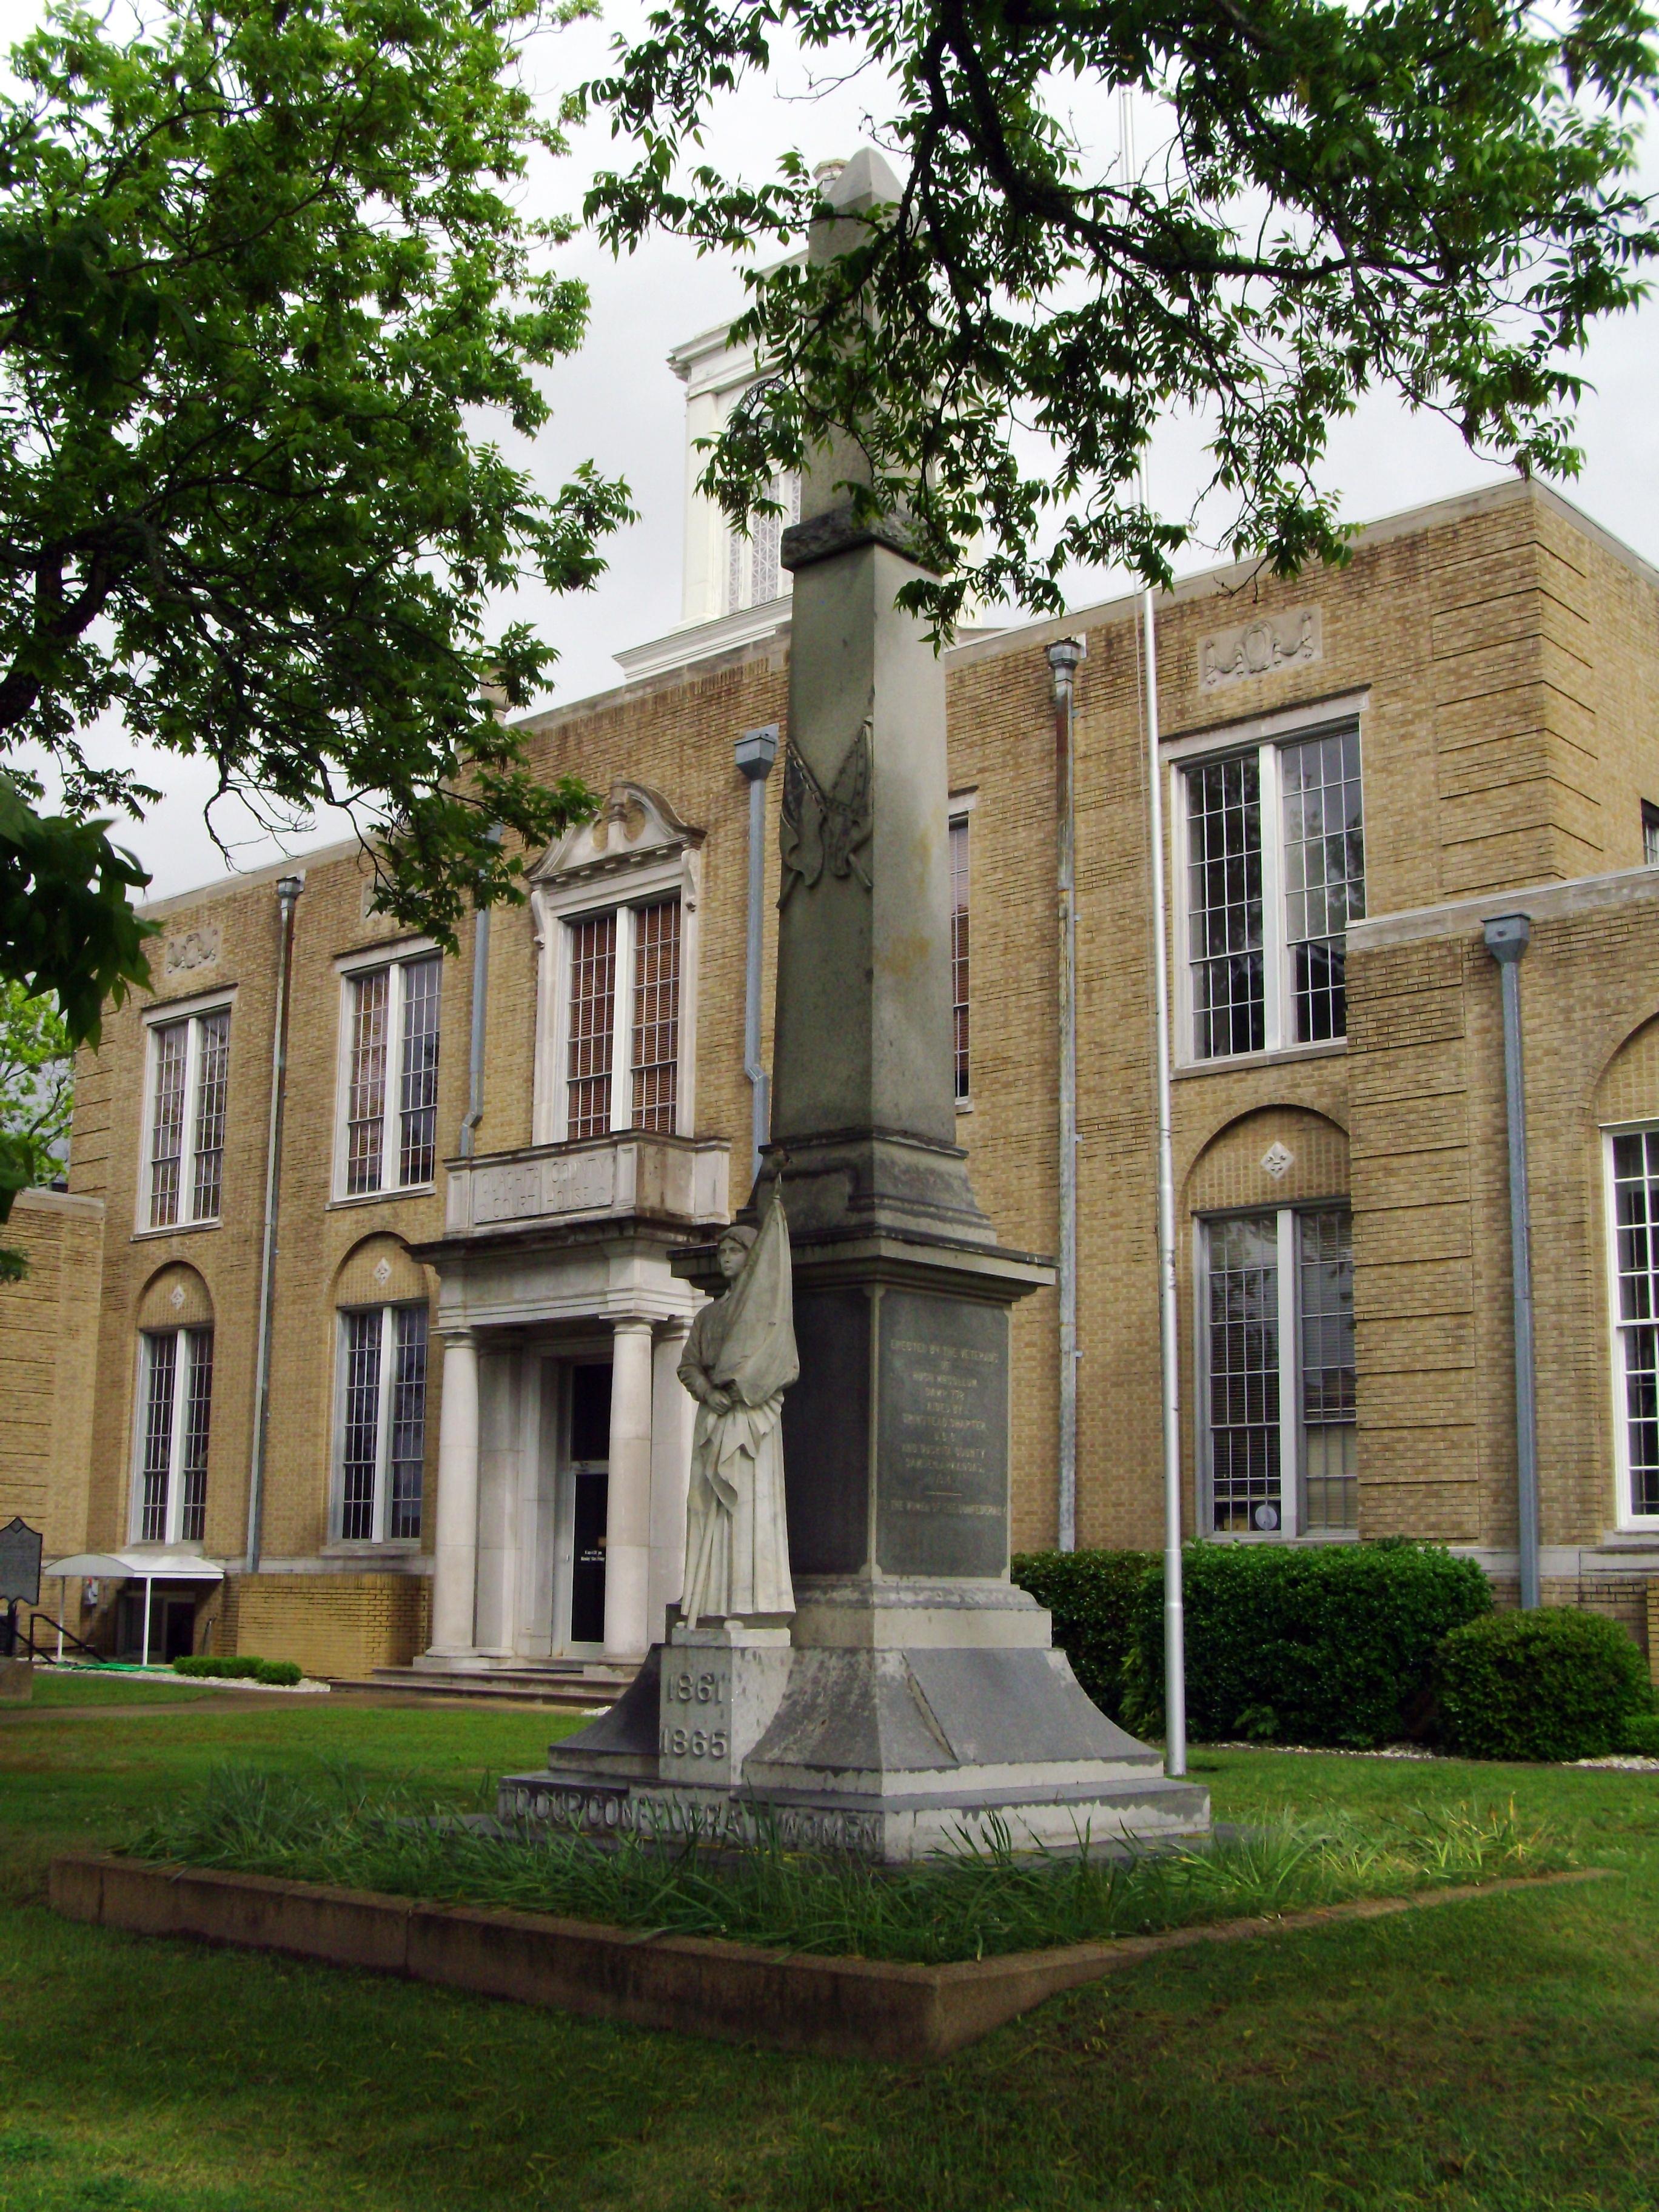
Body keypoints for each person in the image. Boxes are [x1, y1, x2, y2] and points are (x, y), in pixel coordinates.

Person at [677, 1191, 798, 1626]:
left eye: (734, 1251)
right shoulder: (708, 1317)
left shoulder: (767, 1315)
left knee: (748, 1511)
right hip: (714, 1419)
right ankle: (708, 1603)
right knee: (705, 1506)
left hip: (750, 1420)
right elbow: (688, 1365)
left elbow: (781, 1363)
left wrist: (742, 1390)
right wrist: (708, 1392)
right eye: (722, 1251)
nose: (725, 1258)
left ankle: (748, 1603)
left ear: (751, 1258)